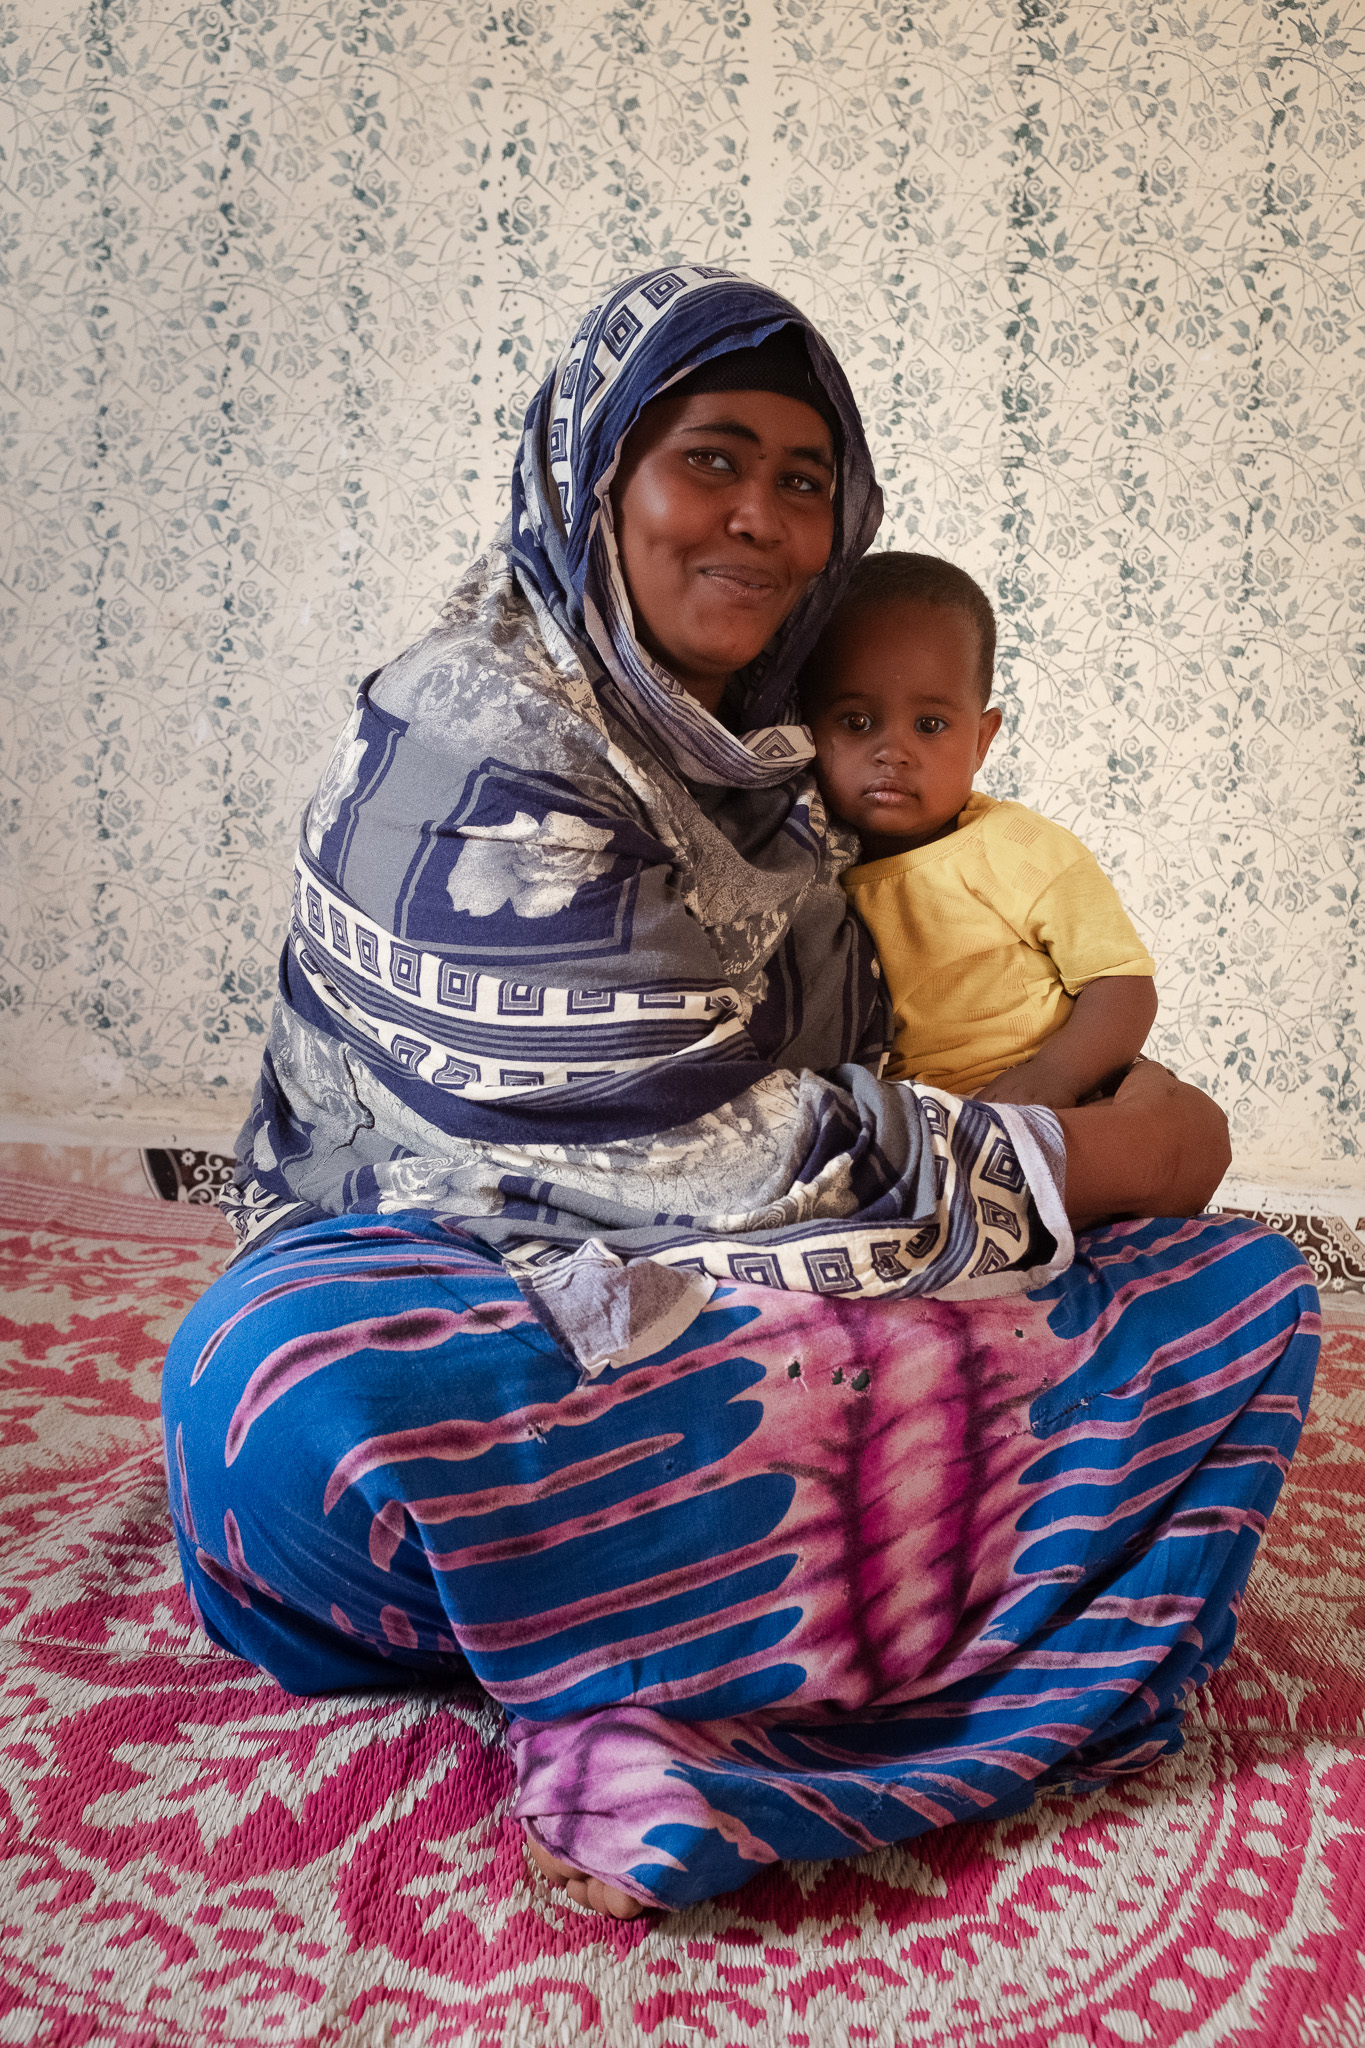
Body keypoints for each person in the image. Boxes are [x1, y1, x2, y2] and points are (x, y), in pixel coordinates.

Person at [162, 266, 1317, 1921]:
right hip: (389, 1383)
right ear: (598, 471)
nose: (763, 520)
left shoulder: (738, 749)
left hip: (603, 1345)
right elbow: (733, 1164)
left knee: (1196, 1297)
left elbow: (809, 1098)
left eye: (803, 478)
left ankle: (650, 1689)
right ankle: (779, 1671)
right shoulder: (484, 749)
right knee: (282, 1401)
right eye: (711, 458)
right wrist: (1102, 1152)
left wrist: (1021, 1112)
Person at [803, 550, 1158, 1108]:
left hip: (1049, 1094)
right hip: (916, 1123)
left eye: (930, 725)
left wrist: (1054, 1079)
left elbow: (1123, 986)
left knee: (1173, 1132)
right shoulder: (803, 863)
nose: (893, 752)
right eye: (857, 721)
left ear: (982, 739)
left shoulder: (1016, 847)